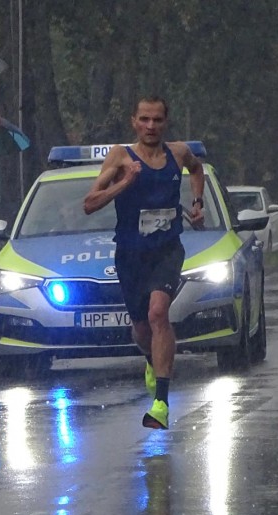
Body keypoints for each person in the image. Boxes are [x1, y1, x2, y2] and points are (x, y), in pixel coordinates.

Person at [82, 95, 204, 430]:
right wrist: (125, 182)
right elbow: (89, 203)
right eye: (145, 119)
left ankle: (161, 403)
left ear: (166, 122)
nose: (151, 126)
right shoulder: (120, 157)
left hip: (167, 249)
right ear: (134, 122)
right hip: (131, 254)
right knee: (140, 328)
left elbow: (197, 169)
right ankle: (152, 359)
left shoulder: (178, 153)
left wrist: (197, 203)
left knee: (158, 313)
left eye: (157, 120)